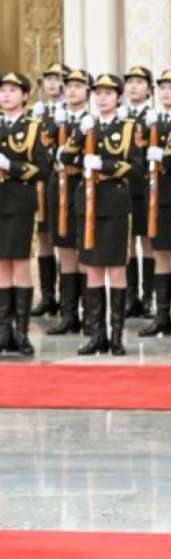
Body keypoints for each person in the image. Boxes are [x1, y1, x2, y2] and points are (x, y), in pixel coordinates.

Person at [69, 73, 144, 356]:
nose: (102, 98)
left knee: (115, 268)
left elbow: (136, 169)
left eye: (108, 93)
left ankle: (116, 336)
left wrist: (106, 165)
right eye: (98, 93)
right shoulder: (85, 124)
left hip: (114, 203)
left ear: (118, 97)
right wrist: (78, 135)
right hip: (88, 204)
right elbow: (64, 158)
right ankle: (96, 334)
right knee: (93, 268)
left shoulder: (129, 128)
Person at [0, 71, 51, 356]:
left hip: (20, 201)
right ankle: (2, 331)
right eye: (2, 90)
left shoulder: (34, 128)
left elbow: (43, 169)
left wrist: (12, 166)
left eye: (12, 90)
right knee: (0, 266)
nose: (5, 95)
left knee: (19, 264)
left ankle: (21, 332)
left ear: (24, 95)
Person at [138, 69, 171, 340]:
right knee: (160, 255)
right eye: (163, 87)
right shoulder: (149, 121)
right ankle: (161, 315)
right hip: (155, 196)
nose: (167, 92)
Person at [44, 68, 92, 337]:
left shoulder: (92, 120)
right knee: (64, 251)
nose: (72, 90)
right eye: (69, 86)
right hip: (58, 185)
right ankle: (68, 314)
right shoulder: (55, 120)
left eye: (78, 86)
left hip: (82, 186)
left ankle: (89, 315)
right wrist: (53, 125)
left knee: (83, 250)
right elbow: (41, 150)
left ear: (87, 91)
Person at [30, 62, 68, 320]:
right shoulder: (38, 114)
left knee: (64, 242)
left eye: (57, 78)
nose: (52, 83)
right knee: (44, 238)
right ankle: (48, 296)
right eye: (48, 79)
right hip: (41, 182)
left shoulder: (72, 112)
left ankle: (67, 300)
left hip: (64, 182)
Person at [121, 65, 154, 319]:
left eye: (139, 82)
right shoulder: (119, 117)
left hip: (149, 189)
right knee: (128, 244)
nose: (134, 86)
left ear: (148, 89)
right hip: (124, 188)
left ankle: (149, 296)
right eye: (130, 82)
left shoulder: (153, 117)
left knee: (149, 243)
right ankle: (130, 296)